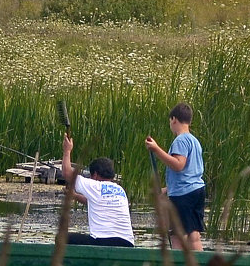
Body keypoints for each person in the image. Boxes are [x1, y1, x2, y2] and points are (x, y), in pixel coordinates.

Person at [144, 102, 205, 251]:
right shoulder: (194, 141)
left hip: (183, 194)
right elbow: (190, 171)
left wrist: (156, 149)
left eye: (170, 122)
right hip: (197, 189)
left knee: (177, 234)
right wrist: (167, 189)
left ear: (174, 120)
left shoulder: (181, 140)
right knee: (193, 233)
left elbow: (179, 165)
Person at [61, 133, 136, 248]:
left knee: (62, 238)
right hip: (127, 243)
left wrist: (67, 151)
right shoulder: (120, 190)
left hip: (103, 241)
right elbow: (94, 201)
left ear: (95, 174)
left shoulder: (95, 185)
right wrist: (74, 195)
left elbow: (67, 173)